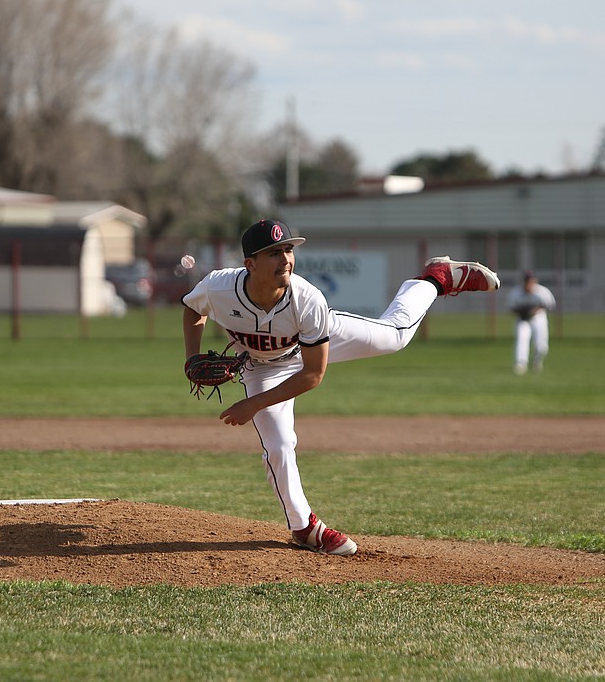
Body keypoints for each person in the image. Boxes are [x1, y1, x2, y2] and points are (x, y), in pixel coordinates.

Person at [182, 219, 499, 556]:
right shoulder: (218, 288)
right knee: (278, 444)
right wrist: (192, 358)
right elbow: (191, 308)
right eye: (274, 253)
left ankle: (437, 278)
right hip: (261, 367)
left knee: (395, 336)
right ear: (250, 264)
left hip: (313, 346)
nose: (285, 259)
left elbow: (313, 374)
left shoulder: (306, 299)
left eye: (288, 250)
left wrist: (253, 404)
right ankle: (305, 528)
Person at [506, 270, 556, 375]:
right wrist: (523, 311)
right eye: (527, 282)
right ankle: (521, 364)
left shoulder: (542, 292)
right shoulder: (515, 293)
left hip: (539, 318)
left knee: (541, 346)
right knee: (522, 338)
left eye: (531, 281)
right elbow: (511, 308)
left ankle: (537, 360)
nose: (529, 284)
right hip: (523, 319)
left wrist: (536, 309)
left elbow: (551, 305)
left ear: (535, 281)